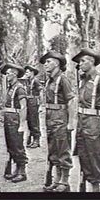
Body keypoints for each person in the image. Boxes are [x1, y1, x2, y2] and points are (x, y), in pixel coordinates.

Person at [72, 48, 100, 192]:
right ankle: (94, 190)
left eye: (83, 61)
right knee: (85, 158)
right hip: (82, 123)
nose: (80, 64)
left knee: (98, 158)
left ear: (92, 62)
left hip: (95, 123)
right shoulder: (82, 80)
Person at [39, 51, 75, 192]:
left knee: (62, 149)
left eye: (48, 62)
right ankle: (57, 179)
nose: (45, 65)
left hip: (60, 117)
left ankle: (65, 182)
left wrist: (71, 122)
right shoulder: (49, 80)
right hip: (49, 117)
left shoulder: (63, 80)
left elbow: (71, 101)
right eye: (45, 62)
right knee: (53, 149)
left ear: (57, 63)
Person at [1, 63, 28, 183]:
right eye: (6, 73)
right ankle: (16, 170)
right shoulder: (10, 87)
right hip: (8, 118)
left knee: (18, 145)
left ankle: (22, 172)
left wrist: (22, 124)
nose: (7, 75)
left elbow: (24, 106)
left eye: (9, 73)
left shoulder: (19, 87)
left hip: (15, 118)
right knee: (11, 145)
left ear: (15, 73)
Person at [22, 64, 42, 148]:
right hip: (28, 102)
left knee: (34, 121)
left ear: (32, 72)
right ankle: (31, 138)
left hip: (33, 102)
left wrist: (40, 104)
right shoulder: (28, 81)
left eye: (27, 72)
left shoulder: (36, 81)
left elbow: (41, 91)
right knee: (29, 121)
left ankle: (36, 140)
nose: (26, 74)